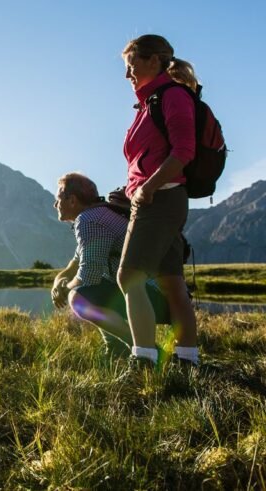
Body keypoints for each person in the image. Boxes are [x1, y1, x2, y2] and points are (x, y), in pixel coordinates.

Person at [118, 34, 199, 368]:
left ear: (153, 60)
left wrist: (147, 188)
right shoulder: (149, 102)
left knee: (129, 276)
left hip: (160, 200)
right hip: (160, 199)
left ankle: (144, 360)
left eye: (131, 65)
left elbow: (184, 152)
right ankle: (187, 360)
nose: (127, 75)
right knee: (170, 282)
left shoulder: (172, 96)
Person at [50, 173, 169, 356]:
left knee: (79, 297)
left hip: (151, 297)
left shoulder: (89, 220)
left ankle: (145, 349)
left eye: (58, 199)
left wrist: (66, 290)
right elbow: (74, 264)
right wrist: (58, 282)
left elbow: (89, 276)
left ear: (72, 200)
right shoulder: (100, 214)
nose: (55, 205)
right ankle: (116, 347)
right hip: (161, 295)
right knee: (94, 290)